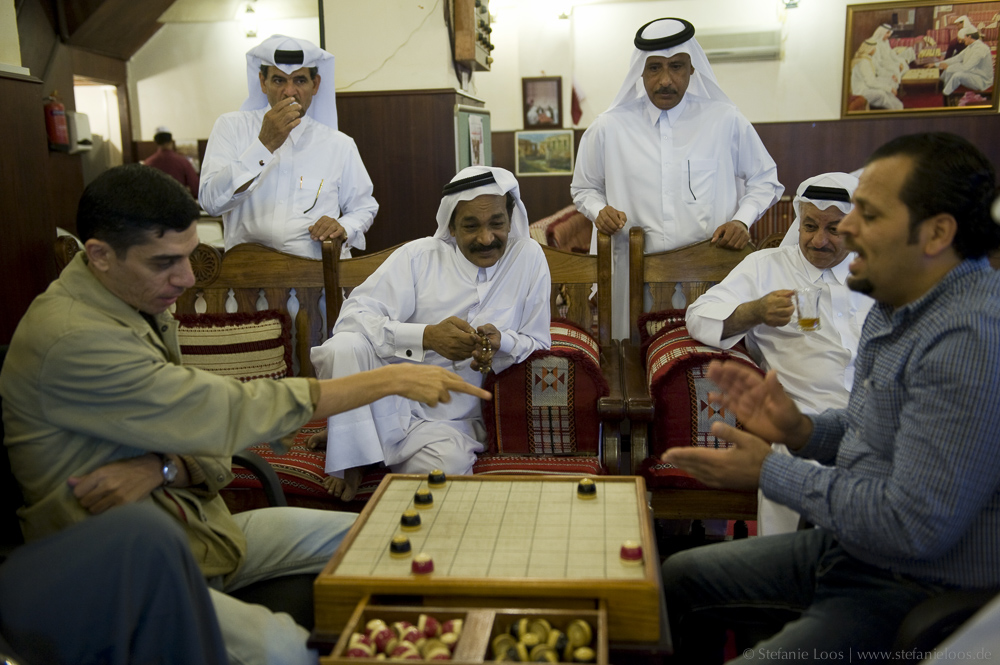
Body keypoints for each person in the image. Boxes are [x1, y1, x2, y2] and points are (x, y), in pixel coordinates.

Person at [0, 164, 489, 665]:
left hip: (196, 529)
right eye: (165, 262)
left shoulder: (133, 301)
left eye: (190, 256)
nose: (187, 279)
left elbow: (207, 436)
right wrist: (389, 379)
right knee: (287, 651)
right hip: (122, 574)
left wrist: (165, 467)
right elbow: (225, 412)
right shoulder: (75, 339)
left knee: (392, 536)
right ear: (100, 255)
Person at [660, 132, 1000, 663]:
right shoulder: (899, 304)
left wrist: (771, 472)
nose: (845, 233)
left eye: (867, 215)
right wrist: (800, 430)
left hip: (911, 583)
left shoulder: (969, 338)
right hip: (855, 549)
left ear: (936, 233)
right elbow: (870, 430)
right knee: (679, 578)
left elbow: (912, 524)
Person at [309, 166, 551, 501]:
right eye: (471, 226)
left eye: (496, 223)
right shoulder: (419, 256)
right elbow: (353, 317)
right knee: (343, 347)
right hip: (388, 394)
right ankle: (351, 458)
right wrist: (425, 337)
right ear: (451, 226)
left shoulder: (527, 259)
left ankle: (353, 433)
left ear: (511, 219)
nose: (486, 238)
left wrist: (501, 343)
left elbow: (538, 341)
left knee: (445, 476)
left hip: (447, 419)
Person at [685, 173, 874, 535]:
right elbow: (698, 316)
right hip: (806, 421)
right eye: (809, 226)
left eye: (834, 229)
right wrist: (753, 311)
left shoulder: (875, 271)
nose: (819, 241)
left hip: (877, 419)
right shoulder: (767, 266)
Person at [571, 17, 783, 339]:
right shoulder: (609, 128)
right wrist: (598, 210)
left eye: (677, 67)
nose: (665, 80)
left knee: (707, 367)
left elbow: (765, 179)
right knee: (634, 362)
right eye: (654, 68)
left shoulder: (724, 121)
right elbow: (584, 187)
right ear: (640, 72)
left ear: (692, 69)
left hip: (710, 276)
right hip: (633, 278)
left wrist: (742, 221)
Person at [199, 34, 378, 260]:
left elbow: (364, 207)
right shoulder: (231, 128)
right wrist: (264, 145)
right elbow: (211, 203)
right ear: (263, 82)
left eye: (300, 81)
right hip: (248, 282)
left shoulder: (339, 144)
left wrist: (342, 227)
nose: (289, 91)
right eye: (278, 80)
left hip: (317, 282)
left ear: (316, 85)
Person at [0, 504, 227, 665]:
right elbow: (210, 439)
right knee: (261, 639)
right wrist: (164, 467)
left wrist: (165, 468)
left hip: (208, 530)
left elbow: (216, 458)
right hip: (178, 549)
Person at [144, 126, 200, 198]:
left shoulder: (148, 163)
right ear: (171, 141)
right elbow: (195, 188)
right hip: (179, 203)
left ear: (156, 142)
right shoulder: (183, 162)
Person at [938, 27, 995, 96]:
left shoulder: (980, 49)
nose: (963, 39)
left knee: (957, 75)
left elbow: (967, 67)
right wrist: (938, 64)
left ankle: (945, 95)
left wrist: (948, 67)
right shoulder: (970, 46)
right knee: (951, 68)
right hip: (973, 72)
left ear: (969, 36)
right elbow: (957, 58)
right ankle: (940, 85)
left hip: (982, 79)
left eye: (964, 37)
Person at [850, 39, 904, 111]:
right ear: (870, 49)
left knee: (889, 81)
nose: (875, 50)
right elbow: (871, 82)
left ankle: (897, 107)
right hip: (861, 91)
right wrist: (889, 88)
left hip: (867, 86)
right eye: (874, 48)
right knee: (882, 94)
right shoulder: (863, 62)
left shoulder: (867, 59)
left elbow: (875, 75)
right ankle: (894, 110)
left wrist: (890, 77)